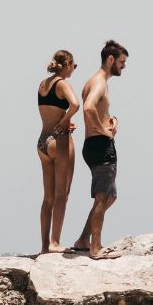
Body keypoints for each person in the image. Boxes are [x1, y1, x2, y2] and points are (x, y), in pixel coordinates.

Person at [72, 40, 127, 259]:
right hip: (99, 145)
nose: (124, 66)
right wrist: (103, 130)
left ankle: (84, 239)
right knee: (103, 196)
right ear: (110, 59)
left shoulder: (96, 81)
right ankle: (95, 248)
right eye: (122, 62)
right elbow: (87, 107)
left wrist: (110, 120)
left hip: (94, 144)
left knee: (109, 196)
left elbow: (97, 108)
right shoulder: (99, 82)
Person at [36, 50, 81, 254]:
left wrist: (62, 120)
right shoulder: (62, 83)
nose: (74, 69)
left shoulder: (43, 85)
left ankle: (44, 245)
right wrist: (64, 121)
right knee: (62, 193)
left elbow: (49, 112)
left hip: (42, 141)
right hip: (59, 142)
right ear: (67, 63)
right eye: (74, 65)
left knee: (48, 197)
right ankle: (55, 241)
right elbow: (75, 104)